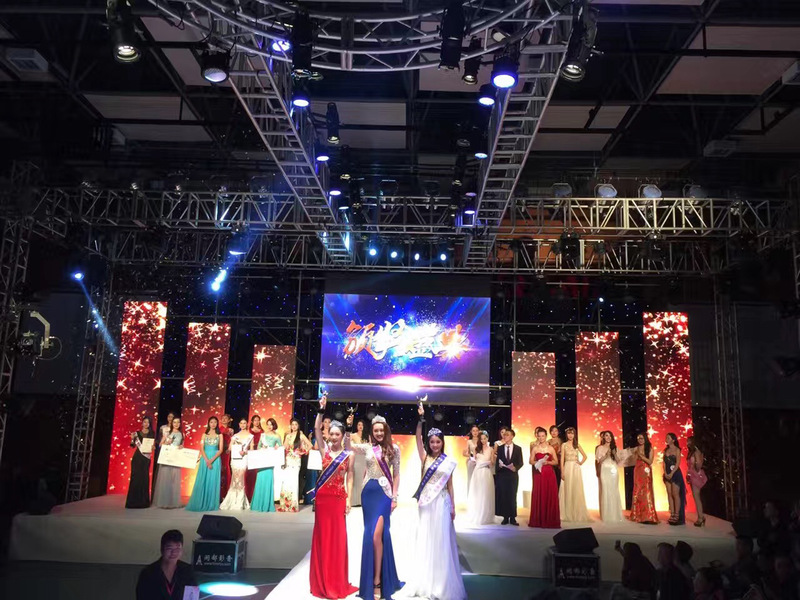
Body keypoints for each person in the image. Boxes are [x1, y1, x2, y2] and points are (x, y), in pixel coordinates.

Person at [401, 402, 466, 600]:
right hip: (427, 504)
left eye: (438, 442)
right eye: (432, 442)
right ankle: (426, 580)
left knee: (442, 540)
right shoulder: (424, 458)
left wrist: (453, 506)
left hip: (442, 502)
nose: (435, 445)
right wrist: (421, 419)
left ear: (442, 443)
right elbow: (417, 438)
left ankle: (441, 582)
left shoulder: (448, 461)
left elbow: (450, 485)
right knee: (427, 538)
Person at [345, 412, 403, 600]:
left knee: (378, 534)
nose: (379, 433)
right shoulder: (368, 448)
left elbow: (396, 474)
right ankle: (373, 579)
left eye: (381, 430)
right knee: (370, 536)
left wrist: (395, 497)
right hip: (368, 493)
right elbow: (348, 446)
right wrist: (348, 428)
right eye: (376, 430)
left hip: (384, 494)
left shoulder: (394, 449)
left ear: (386, 431)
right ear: (372, 431)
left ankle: (377, 580)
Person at [308, 395, 358, 599]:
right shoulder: (324, 450)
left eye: (338, 434)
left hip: (338, 500)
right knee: (322, 537)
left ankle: (335, 580)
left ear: (343, 435)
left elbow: (350, 476)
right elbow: (316, 428)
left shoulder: (349, 455)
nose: (334, 437)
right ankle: (321, 580)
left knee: (337, 540)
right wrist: (321, 410)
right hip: (323, 500)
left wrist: (349, 499)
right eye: (332, 434)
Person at [136, 529, 197, 600]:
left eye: (178, 548)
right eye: (169, 548)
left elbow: (192, 597)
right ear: (162, 549)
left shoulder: (188, 571)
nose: (174, 552)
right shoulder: (148, 573)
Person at [185, 416, 222, 512]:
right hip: (204, 459)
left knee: (213, 481)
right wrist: (206, 460)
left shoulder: (220, 435)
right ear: (208, 423)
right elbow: (201, 449)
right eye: (211, 422)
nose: (213, 424)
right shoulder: (204, 435)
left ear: (217, 424)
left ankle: (211, 503)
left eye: (215, 422)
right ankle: (201, 502)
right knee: (203, 480)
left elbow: (220, 450)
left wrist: (211, 460)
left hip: (215, 459)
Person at [528, 426, 560, 528]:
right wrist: (538, 462)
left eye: (543, 436)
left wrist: (548, 462)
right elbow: (530, 461)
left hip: (549, 474)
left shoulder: (550, 448)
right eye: (539, 436)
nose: (541, 438)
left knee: (549, 495)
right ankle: (538, 520)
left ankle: (550, 519)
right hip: (538, 474)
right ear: (537, 437)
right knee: (539, 494)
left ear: (546, 436)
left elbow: (556, 461)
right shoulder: (535, 448)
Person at [219, 418, 253, 511]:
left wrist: (245, 452)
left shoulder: (250, 436)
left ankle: (240, 501)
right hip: (235, 458)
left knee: (240, 479)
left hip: (244, 458)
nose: (243, 425)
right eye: (241, 423)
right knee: (234, 479)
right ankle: (232, 500)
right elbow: (230, 447)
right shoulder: (235, 436)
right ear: (239, 424)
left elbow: (252, 450)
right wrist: (232, 446)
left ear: (247, 424)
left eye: (244, 423)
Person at [278, 419, 311, 512]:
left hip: (296, 461)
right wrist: (279, 447)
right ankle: (285, 505)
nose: (294, 426)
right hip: (288, 459)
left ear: (298, 425)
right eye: (292, 424)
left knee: (293, 481)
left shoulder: (301, 435)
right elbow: (284, 447)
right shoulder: (288, 436)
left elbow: (310, 445)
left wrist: (303, 452)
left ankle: (293, 505)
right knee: (286, 481)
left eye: (296, 424)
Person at [559, 427, 590, 523]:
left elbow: (585, 456)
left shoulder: (577, 445)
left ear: (574, 434)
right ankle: (567, 513)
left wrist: (580, 463)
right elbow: (562, 459)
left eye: (572, 433)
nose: (570, 435)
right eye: (569, 433)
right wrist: (562, 472)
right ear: (566, 435)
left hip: (576, 468)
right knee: (567, 488)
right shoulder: (564, 445)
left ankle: (576, 513)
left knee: (576, 489)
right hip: (567, 467)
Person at [152, 417, 184, 509]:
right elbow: (160, 445)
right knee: (166, 479)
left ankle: (173, 502)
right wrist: (166, 443)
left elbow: (182, 445)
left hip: (176, 459)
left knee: (174, 480)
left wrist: (181, 446)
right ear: (172, 423)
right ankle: (164, 501)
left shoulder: (181, 434)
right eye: (174, 422)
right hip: (167, 458)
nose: (176, 424)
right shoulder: (167, 433)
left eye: (178, 422)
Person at [251, 418, 281, 512]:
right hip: (262, 460)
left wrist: (276, 449)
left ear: (274, 425)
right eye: (268, 424)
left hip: (270, 460)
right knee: (260, 479)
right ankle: (258, 504)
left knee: (268, 480)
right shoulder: (263, 435)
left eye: (271, 424)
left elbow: (281, 448)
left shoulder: (277, 436)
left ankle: (267, 504)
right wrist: (262, 448)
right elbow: (258, 446)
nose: (269, 426)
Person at [466, 430, 495, 525]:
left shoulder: (491, 449)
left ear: (488, 438)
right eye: (481, 439)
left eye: (485, 438)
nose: (483, 440)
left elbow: (492, 463)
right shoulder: (476, 448)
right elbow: (474, 460)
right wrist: (474, 462)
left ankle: (486, 515)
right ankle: (477, 513)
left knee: (486, 493)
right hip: (477, 472)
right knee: (477, 493)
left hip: (486, 472)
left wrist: (486, 463)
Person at [495, 427, 523, 525]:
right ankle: (505, 517)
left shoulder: (518, 448)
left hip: (512, 475)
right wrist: (499, 467)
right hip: (502, 475)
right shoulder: (500, 448)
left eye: (507, 435)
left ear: (512, 436)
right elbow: (497, 461)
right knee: (504, 495)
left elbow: (520, 462)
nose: (505, 436)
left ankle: (513, 517)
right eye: (504, 434)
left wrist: (516, 468)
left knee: (512, 496)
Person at [629, 432, 659, 524]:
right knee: (637, 491)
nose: (640, 440)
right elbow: (633, 460)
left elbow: (650, 461)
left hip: (646, 470)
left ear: (645, 438)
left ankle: (649, 515)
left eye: (641, 438)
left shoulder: (649, 448)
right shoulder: (636, 448)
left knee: (646, 491)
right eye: (638, 438)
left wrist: (641, 456)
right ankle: (638, 515)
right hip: (638, 469)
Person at [126, 416, 155, 508]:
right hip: (137, 458)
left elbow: (153, 445)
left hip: (146, 459)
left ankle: (143, 502)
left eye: (148, 422)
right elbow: (132, 446)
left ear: (150, 424)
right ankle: (132, 502)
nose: (146, 424)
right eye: (145, 422)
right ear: (142, 423)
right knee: (135, 479)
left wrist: (153, 447)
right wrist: (132, 438)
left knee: (144, 479)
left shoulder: (152, 433)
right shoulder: (136, 433)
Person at [596, 430, 624, 523]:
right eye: (606, 436)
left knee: (613, 490)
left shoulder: (614, 448)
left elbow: (618, 461)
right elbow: (599, 461)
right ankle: (606, 515)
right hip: (604, 470)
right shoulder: (600, 448)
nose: (608, 437)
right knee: (605, 490)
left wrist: (614, 454)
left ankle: (615, 514)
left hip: (613, 470)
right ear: (604, 437)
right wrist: (606, 455)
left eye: (610, 436)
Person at [663, 432, 686, 525]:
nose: (666, 439)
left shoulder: (677, 450)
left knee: (675, 494)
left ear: (673, 440)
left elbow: (677, 463)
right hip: (667, 473)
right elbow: (664, 463)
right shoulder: (665, 450)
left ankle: (677, 515)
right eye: (666, 438)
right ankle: (672, 514)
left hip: (675, 473)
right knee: (669, 494)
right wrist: (665, 473)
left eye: (668, 438)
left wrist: (672, 473)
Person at [686, 436, 707, 527]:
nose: (687, 443)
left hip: (696, 475)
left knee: (697, 496)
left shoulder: (697, 451)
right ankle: (701, 516)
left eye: (689, 441)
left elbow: (699, 464)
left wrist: (694, 469)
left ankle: (701, 518)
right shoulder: (691, 452)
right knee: (695, 497)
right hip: (692, 475)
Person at [153, 411, 175, 488]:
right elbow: (159, 440)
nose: (170, 418)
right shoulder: (163, 428)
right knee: (162, 471)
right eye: (169, 416)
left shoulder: (176, 429)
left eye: (172, 417)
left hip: (172, 451)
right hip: (163, 450)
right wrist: (162, 444)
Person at [245, 414, 264, 502]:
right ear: (252, 421)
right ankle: (248, 495)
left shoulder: (262, 431)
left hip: (259, 453)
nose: (256, 422)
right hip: (250, 453)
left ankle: (256, 496)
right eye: (255, 420)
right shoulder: (248, 431)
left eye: (258, 420)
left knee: (257, 474)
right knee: (249, 474)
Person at [349, 418, 366, 508]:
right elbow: (348, 445)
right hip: (356, 459)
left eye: (362, 425)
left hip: (364, 459)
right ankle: (354, 501)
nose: (360, 426)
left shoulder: (367, 436)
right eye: (359, 425)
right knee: (355, 479)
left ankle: (363, 500)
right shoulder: (352, 435)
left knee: (363, 479)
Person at [219, 414, 234, 501]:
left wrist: (229, 448)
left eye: (226, 418)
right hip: (219, 451)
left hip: (226, 452)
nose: (224, 420)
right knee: (219, 469)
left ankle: (225, 493)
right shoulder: (218, 429)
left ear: (229, 420)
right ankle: (218, 493)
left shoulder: (231, 430)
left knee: (225, 468)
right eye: (223, 418)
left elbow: (232, 441)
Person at [463, 424, 481, 496]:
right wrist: (470, 456)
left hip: (480, 462)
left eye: (476, 431)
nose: (475, 432)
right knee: (470, 478)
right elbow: (464, 453)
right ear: (471, 432)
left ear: (479, 431)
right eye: (473, 431)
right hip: (471, 462)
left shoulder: (481, 440)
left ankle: (478, 496)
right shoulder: (469, 441)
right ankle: (470, 496)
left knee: (479, 479)